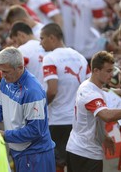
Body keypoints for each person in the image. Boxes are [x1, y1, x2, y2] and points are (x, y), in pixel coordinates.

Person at [66, 51, 121, 172]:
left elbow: (107, 98)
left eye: (112, 70)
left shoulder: (91, 86)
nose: (111, 75)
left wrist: (104, 135)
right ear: (96, 71)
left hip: (79, 149)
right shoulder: (90, 93)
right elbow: (107, 116)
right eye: (108, 71)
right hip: (85, 152)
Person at [0, 47, 55, 171]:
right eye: (1, 71)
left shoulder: (32, 91)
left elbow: (34, 130)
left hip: (36, 154)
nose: (3, 76)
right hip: (19, 151)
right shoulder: (6, 82)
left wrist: (4, 135)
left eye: (6, 71)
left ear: (20, 67)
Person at [40, 23, 90, 172]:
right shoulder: (80, 57)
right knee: (76, 163)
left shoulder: (50, 58)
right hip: (79, 119)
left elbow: (52, 90)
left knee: (57, 164)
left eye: (42, 38)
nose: (40, 43)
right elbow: (89, 87)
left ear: (52, 38)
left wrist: (41, 108)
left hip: (58, 119)